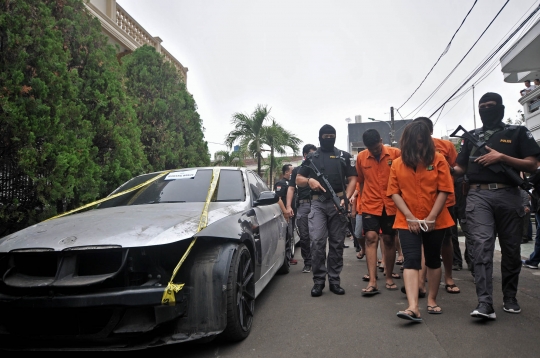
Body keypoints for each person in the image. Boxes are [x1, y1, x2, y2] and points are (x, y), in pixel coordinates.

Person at [453, 92, 540, 319]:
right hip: (477, 195)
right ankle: (484, 303)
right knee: (481, 247)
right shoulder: (471, 136)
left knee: (511, 249)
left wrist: (501, 158)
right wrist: (441, 167)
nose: (485, 110)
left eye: (490, 106)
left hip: (509, 194)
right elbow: (460, 168)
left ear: (500, 108)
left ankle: (509, 296)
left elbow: (532, 164)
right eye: (481, 107)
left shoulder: (517, 132)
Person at [387, 121, 454, 322]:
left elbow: (444, 190)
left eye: (422, 142)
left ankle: (432, 300)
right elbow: (394, 193)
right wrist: (410, 217)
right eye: (415, 142)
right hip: (407, 221)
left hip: (436, 219)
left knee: (433, 259)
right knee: (411, 260)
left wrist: (431, 217)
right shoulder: (398, 163)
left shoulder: (439, 159)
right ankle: (413, 307)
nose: (419, 146)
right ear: (407, 142)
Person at [296, 124, 357, 297]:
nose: (329, 139)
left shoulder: (344, 156)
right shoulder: (311, 158)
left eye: (332, 136)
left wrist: (346, 198)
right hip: (317, 204)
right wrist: (309, 181)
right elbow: (299, 178)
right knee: (317, 242)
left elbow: (353, 179)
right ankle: (319, 281)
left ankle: (335, 281)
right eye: (326, 136)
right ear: (320, 137)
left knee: (337, 243)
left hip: (338, 204)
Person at [413, 117, 462, 294]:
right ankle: (420, 281)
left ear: (431, 132)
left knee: (446, 239)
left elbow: (459, 170)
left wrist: (446, 174)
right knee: (422, 240)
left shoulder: (446, 147)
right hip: (420, 202)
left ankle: (448, 277)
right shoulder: (410, 149)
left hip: (445, 202)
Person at [356, 129, 401, 295]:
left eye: (376, 147)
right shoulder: (361, 157)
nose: (374, 150)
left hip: (391, 204)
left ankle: (389, 277)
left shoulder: (396, 154)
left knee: (389, 239)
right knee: (370, 237)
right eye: (370, 148)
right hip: (370, 204)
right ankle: (373, 281)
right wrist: (361, 204)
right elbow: (360, 182)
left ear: (381, 140)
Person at [287, 144, 317, 273]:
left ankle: (318, 261)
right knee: (304, 236)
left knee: (318, 236)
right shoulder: (297, 170)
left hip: (318, 204)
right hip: (303, 205)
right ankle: (308, 262)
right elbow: (291, 188)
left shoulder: (319, 169)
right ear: (305, 155)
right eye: (311, 154)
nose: (314, 156)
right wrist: (288, 206)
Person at [274, 164, 297, 265]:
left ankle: (289, 256)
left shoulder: (291, 183)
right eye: (292, 171)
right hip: (285, 215)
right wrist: (285, 212)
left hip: (291, 214)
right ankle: (286, 259)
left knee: (290, 235)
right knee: (286, 236)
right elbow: (278, 199)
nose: (293, 173)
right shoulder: (281, 183)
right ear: (287, 172)